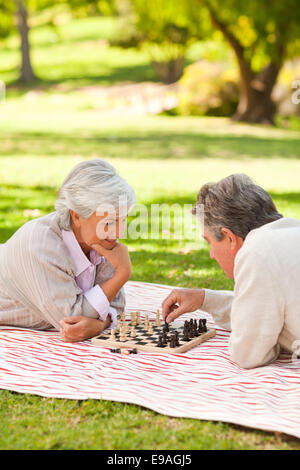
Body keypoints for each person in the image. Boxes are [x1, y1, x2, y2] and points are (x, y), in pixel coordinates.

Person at [162, 174, 300, 369]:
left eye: (209, 241)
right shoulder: (289, 231)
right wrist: (205, 299)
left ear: (228, 236)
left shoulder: (256, 253)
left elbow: (248, 355)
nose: (211, 254)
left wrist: (274, 339)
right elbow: (259, 309)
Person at [0, 159, 136, 342]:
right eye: (110, 222)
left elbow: (116, 305)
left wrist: (100, 324)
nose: (119, 232)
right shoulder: (42, 245)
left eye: (123, 219)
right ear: (76, 215)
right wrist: (122, 273)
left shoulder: (102, 239)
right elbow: (72, 322)